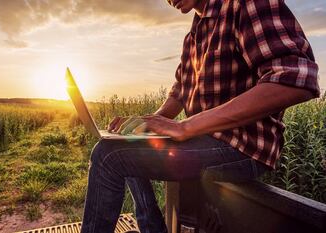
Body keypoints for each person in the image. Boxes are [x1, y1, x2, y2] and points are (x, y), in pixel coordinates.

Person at [80, 0, 320, 232]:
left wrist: (187, 126)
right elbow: (180, 93)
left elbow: (295, 80)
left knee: (107, 157)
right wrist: (146, 124)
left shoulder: (244, 4)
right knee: (124, 144)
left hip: (242, 145)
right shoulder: (194, 34)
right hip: (206, 139)